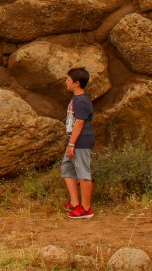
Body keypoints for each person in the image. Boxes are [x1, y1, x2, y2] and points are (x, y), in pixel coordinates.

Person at [62, 67, 95, 219]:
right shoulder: (77, 99)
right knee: (67, 168)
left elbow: (80, 122)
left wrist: (72, 143)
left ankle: (86, 208)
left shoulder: (81, 100)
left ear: (76, 83)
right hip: (74, 141)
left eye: (68, 80)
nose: (66, 82)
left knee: (83, 173)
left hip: (80, 141)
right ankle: (75, 203)